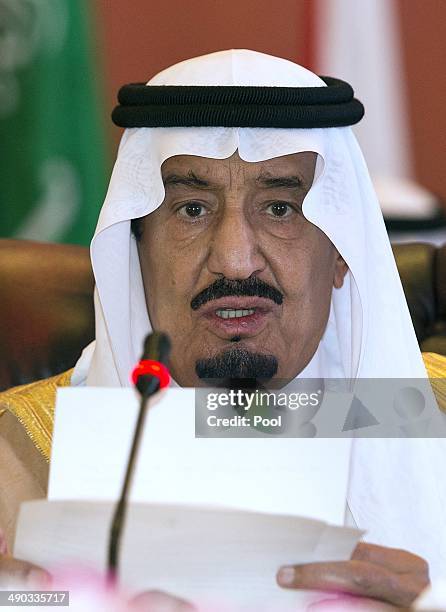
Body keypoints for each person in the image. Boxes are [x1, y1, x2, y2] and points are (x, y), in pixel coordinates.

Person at [1, 49, 445, 609]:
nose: (235, 260)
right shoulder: (14, 457)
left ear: (340, 253)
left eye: (281, 208)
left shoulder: (436, 415)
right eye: (191, 210)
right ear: (134, 251)